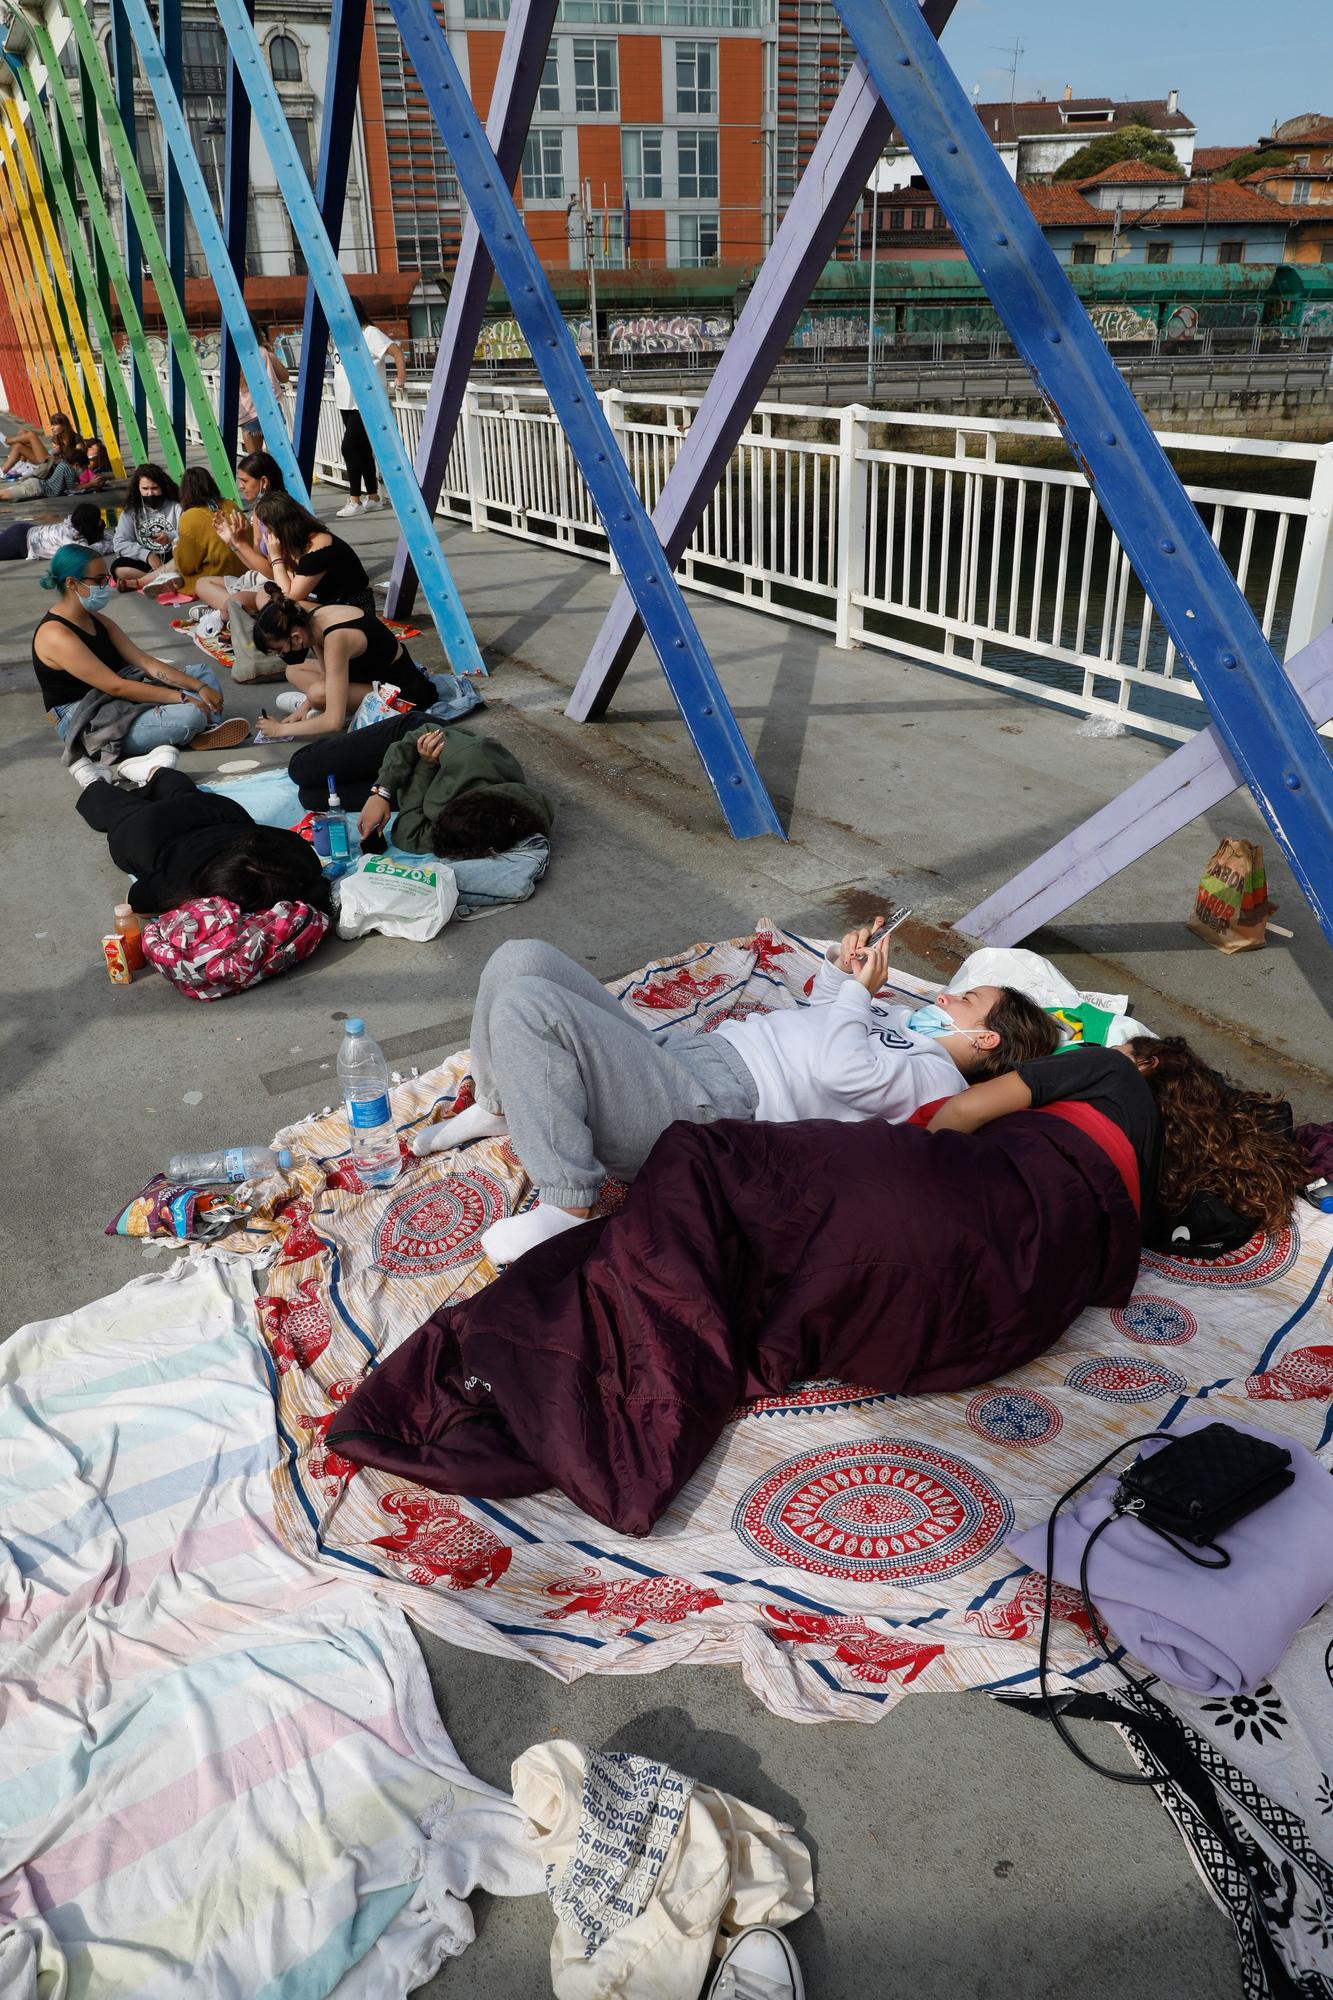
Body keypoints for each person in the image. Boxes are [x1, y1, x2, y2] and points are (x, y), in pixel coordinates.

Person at [413, 920, 1059, 1266]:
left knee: (530, 1007)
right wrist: (840, 977)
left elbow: (840, 1071)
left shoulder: (935, 1078)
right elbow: (820, 1021)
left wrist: (861, 996)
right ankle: (501, 1105)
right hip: (690, 1059)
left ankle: (567, 1203)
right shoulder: (895, 1021)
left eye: (965, 1000)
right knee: (518, 959)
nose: (943, 995)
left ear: (986, 1042)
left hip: (708, 1111)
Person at [925, 1033, 1308, 1246]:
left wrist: (914, 1160)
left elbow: (961, 1112)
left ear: (1145, 1063)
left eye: (1117, 1049)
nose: (1104, 1052)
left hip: (979, 1189)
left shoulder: (1106, 1070)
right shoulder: (1156, 1174)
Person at [32, 545, 246, 772]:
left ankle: (199, 729)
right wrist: (181, 697)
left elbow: (144, 662)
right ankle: (196, 726)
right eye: (98, 581)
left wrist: (198, 686)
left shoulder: (96, 619)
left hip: (117, 696)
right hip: (85, 716)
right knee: (190, 714)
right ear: (72, 583)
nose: (105, 586)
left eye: (106, 579)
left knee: (201, 674)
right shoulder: (55, 635)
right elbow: (116, 687)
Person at [76, 765, 333, 916]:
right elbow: (137, 900)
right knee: (119, 811)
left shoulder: (294, 852)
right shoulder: (182, 882)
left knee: (183, 794)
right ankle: (93, 782)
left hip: (218, 812)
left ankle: (160, 770)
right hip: (151, 831)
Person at [290, 712, 552, 855]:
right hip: (415, 740)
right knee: (301, 769)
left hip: (421, 775)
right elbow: (420, 737)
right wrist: (381, 791)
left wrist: (426, 768)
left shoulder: (478, 831)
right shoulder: (470, 755)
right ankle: (318, 716)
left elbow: (408, 835)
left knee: (311, 798)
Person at [248, 587, 438, 737]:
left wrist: (279, 730)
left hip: (401, 692)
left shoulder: (336, 638)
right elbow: (325, 673)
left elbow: (333, 723)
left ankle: (338, 710)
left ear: (295, 637)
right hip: (369, 675)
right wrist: (304, 709)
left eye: (280, 650)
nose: (282, 654)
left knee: (317, 694)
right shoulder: (310, 619)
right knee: (294, 670)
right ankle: (323, 707)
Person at [241, 492, 375, 612]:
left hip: (354, 609)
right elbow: (286, 585)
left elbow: (289, 598)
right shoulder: (297, 542)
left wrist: (276, 557)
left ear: (278, 526)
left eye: (263, 526)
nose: (263, 532)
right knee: (262, 595)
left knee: (288, 608)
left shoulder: (319, 548)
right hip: (327, 603)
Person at [332, 300, 406, 516]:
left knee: (348, 447)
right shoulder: (341, 337)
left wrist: (400, 377)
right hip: (345, 401)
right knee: (362, 449)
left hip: (365, 401)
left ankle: (354, 499)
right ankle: (373, 496)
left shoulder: (370, 333)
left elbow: (396, 352)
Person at [173, 467, 246, 596]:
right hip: (244, 573)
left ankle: (139, 581)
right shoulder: (230, 504)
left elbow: (186, 566)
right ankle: (140, 580)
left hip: (217, 578)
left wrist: (175, 549)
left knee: (173, 562)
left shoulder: (190, 517)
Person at [111, 464, 182, 586]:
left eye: (154, 488)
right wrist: (147, 555)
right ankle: (168, 579)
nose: (150, 493)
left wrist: (170, 536)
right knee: (118, 568)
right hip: (148, 561)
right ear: (138, 489)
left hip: (172, 556)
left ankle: (142, 582)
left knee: (184, 557)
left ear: (163, 487)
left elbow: (187, 533)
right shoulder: (130, 511)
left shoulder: (176, 506)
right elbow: (120, 543)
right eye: (145, 489)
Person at [236, 323, 290, 453]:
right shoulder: (265, 352)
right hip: (270, 408)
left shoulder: (238, 356)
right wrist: (271, 355)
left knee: (255, 460)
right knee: (279, 455)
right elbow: (284, 377)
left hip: (248, 412)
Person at [0, 500, 111, 564]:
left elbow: (110, 539)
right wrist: (108, 544)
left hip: (26, 533)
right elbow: (87, 553)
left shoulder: (76, 526)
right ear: (89, 524)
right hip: (19, 540)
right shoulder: (67, 536)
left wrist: (109, 540)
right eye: (98, 520)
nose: (101, 522)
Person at [1, 414, 74, 477]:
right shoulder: (57, 438)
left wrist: (60, 458)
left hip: (53, 468)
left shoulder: (76, 439)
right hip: (48, 462)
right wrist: (53, 452)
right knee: (20, 439)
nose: (52, 428)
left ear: (64, 425)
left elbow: (79, 463)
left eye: (55, 425)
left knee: (31, 435)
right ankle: (4, 471)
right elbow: (52, 454)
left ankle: (7, 441)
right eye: (52, 425)